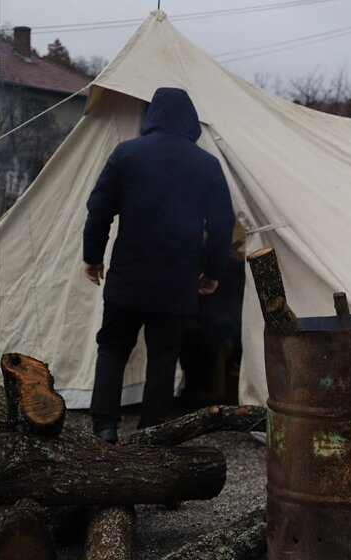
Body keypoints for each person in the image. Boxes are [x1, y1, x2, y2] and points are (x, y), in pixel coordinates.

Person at [83, 87, 234, 443]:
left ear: (152, 116)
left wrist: (92, 256)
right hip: (176, 283)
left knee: (113, 348)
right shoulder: (206, 164)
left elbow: (99, 211)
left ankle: (105, 428)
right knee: (163, 357)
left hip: (128, 278)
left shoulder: (126, 154)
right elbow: (222, 225)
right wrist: (213, 273)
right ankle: (151, 436)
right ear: (190, 120)